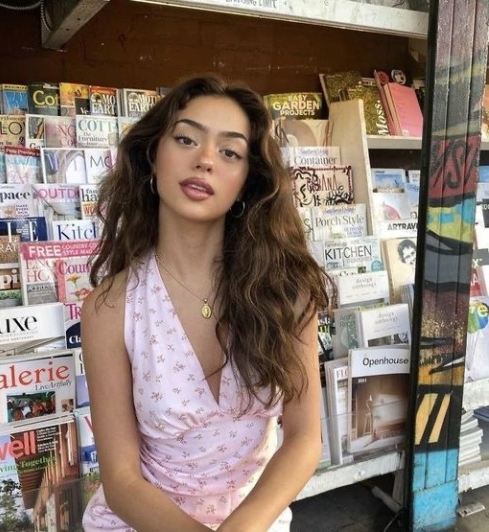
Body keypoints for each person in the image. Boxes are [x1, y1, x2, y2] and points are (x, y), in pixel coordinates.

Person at [81, 74, 330, 531]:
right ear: (152, 157)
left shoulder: (286, 291)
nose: (205, 160)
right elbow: (121, 481)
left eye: (230, 152)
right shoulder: (111, 308)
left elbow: (303, 439)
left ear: (248, 182)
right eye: (186, 139)